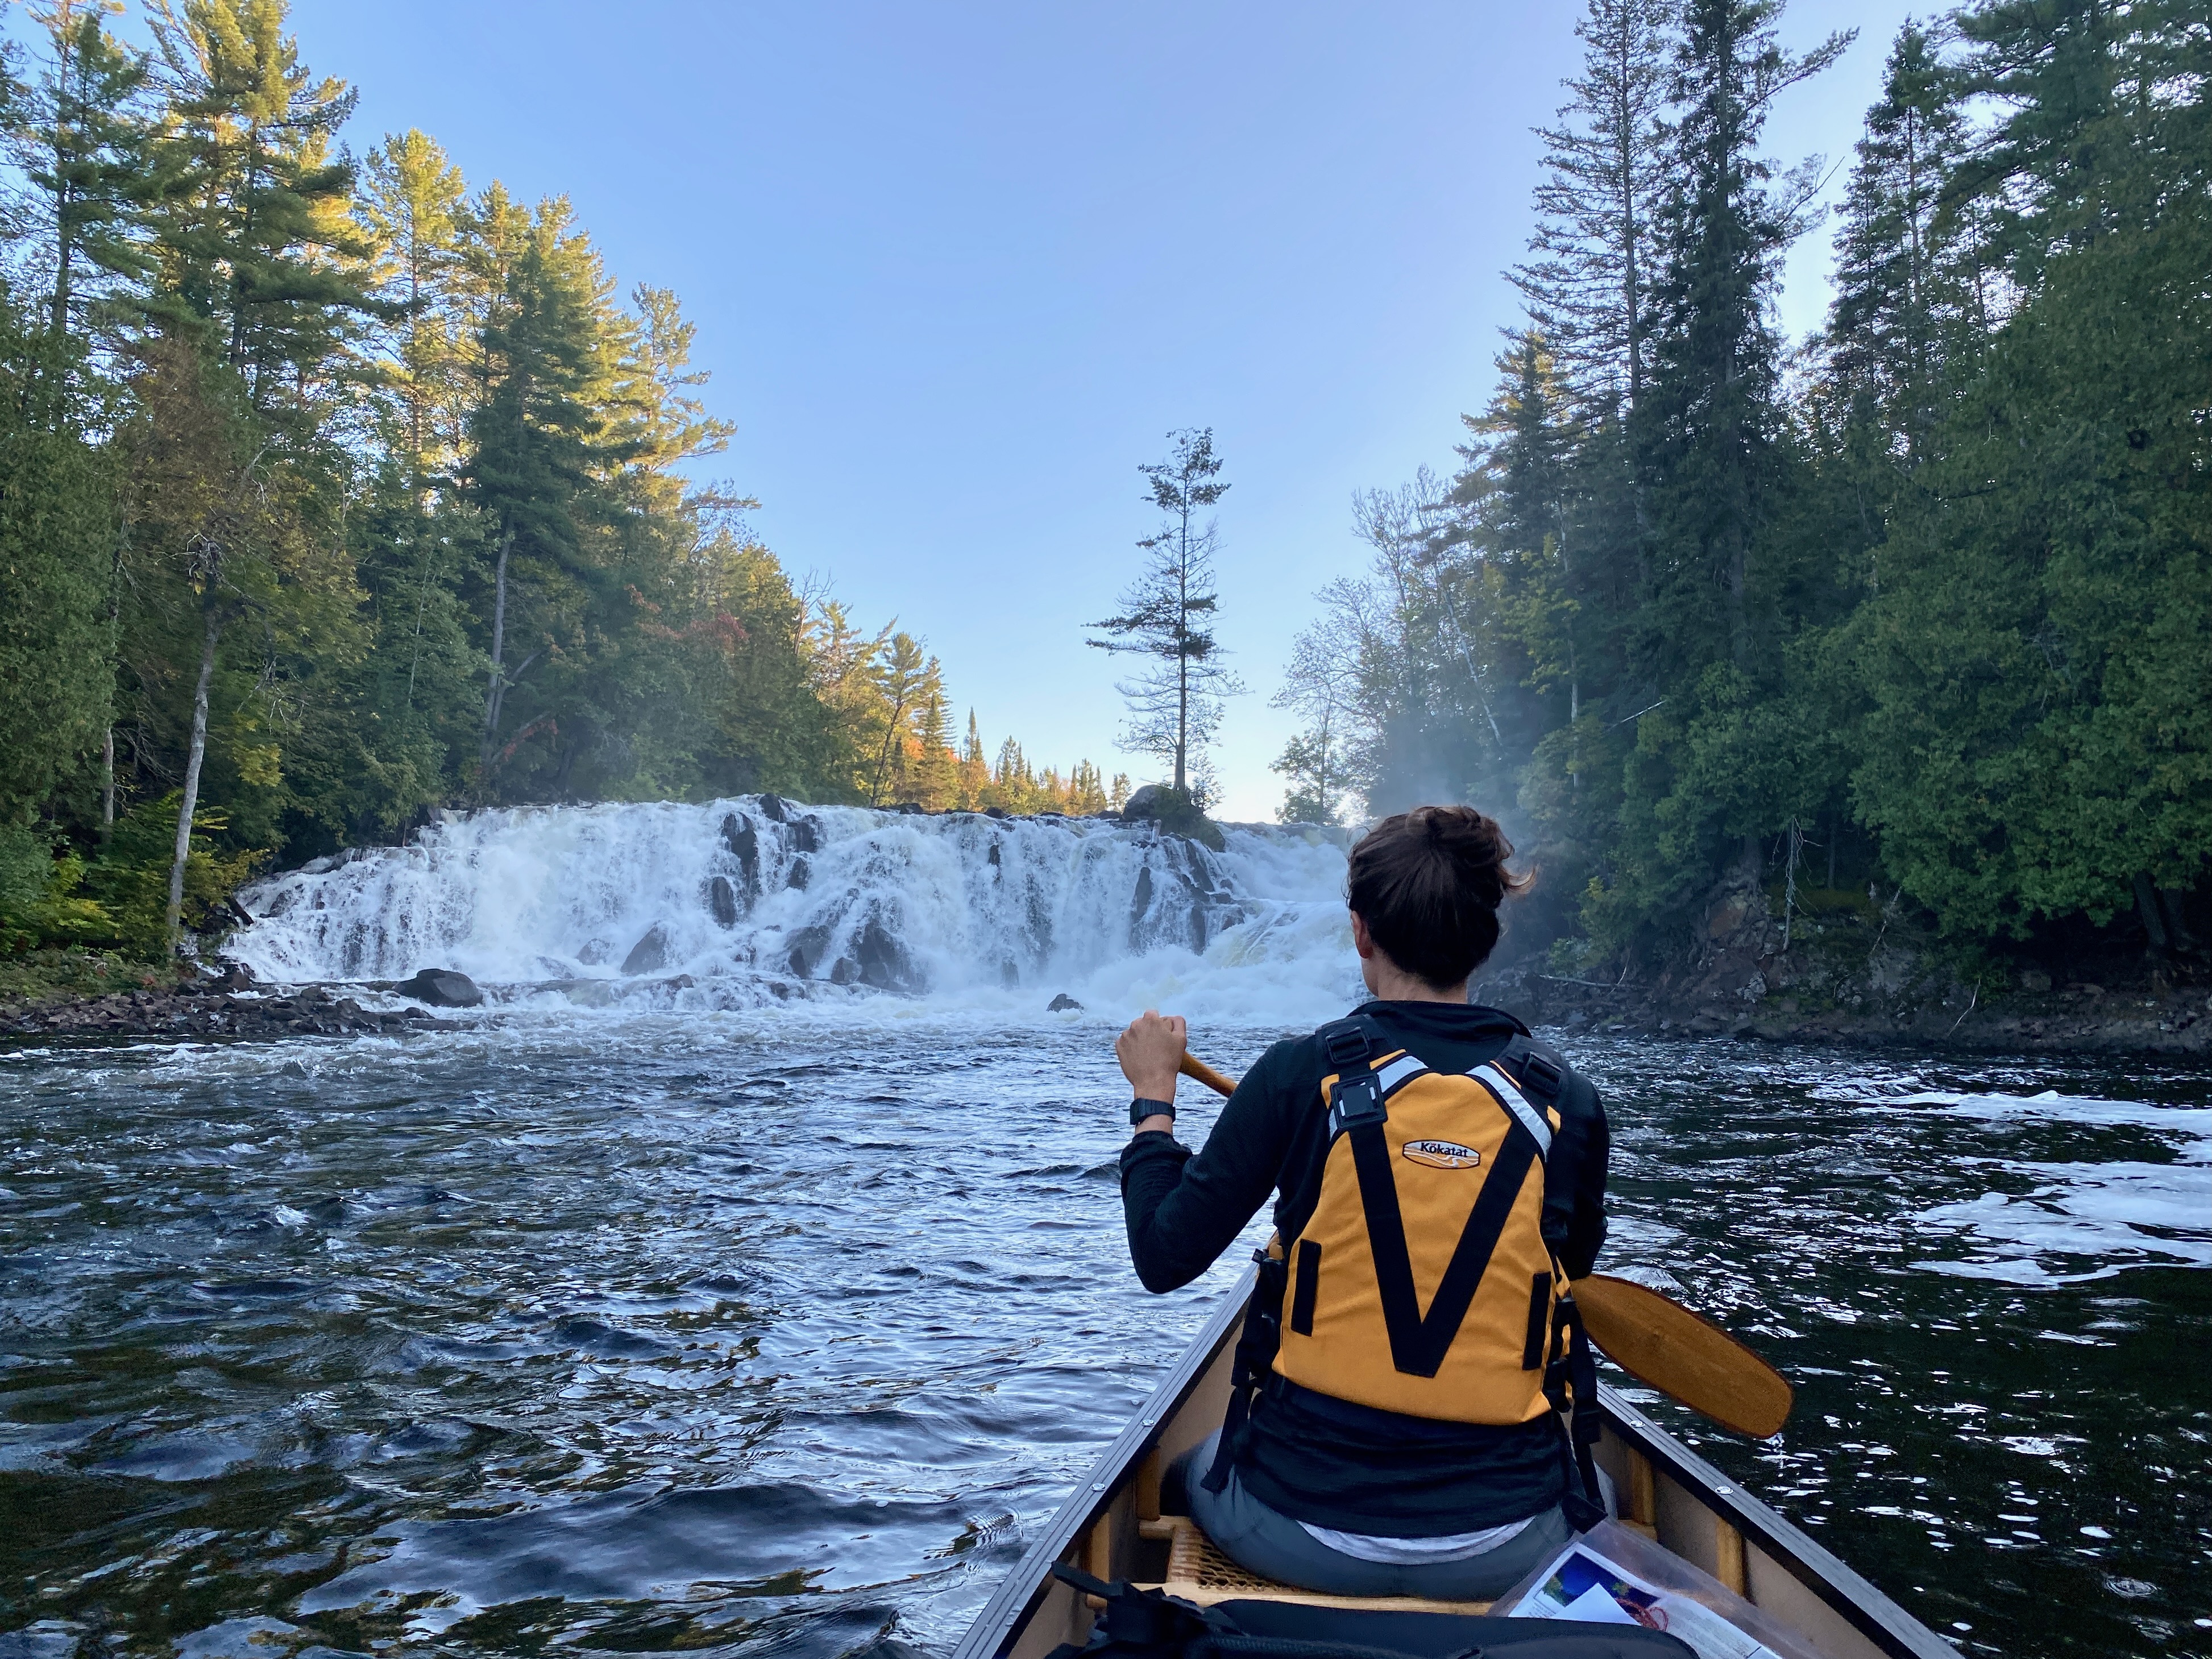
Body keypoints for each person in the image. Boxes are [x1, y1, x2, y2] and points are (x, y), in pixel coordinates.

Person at [1113, 805, 1609, 1600]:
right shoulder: (1569, 1103)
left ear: (1360, 932)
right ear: (1488, 936)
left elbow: (1163, 1256)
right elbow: (1569, 1265)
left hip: (1296, 1525)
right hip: (1510, 1539)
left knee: (1182, 1474)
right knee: (1605, 1495)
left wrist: (1154, 1099)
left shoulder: (1296, 1076)